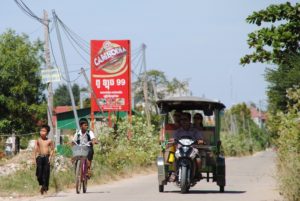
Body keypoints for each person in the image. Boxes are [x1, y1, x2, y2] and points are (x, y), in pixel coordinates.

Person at [172, 112, 204, 179]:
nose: (183, 121)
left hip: (192, 149)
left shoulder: (195, 131)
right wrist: (172, 140)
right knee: (174, 158)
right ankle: (175, 173)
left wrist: (200, 141)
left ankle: (198, 172)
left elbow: (200, 139)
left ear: (189, 120)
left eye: (185, 119)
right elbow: (173, 139)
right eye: (181, 120)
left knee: (198, 159)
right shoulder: (178, 131)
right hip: (180, 149)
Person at [33, 124, 54, 195]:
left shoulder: (49, 141)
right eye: (41, 130)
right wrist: (34, 159)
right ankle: (42, 184)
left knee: (46, 173)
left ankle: (44, 187)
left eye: (44, 131)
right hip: (39, 157)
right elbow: (35, 150)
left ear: (47, 132)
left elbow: (52, 150)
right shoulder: (38, 140)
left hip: (46, 158)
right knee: (39, 173)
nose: (42, 132)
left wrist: (50, 157)